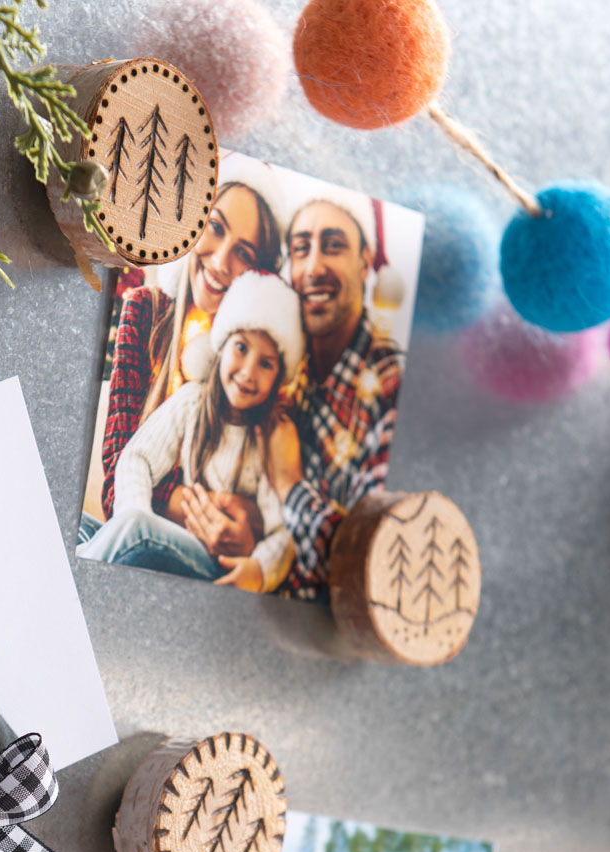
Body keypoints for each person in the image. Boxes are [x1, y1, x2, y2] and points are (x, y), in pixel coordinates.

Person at [92, 155, 287, 556]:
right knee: (83, 533)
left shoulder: (250, 366)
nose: (219, 262)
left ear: (259, 274)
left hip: (206, 554)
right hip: (137, 528)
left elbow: (269, 501)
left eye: (245, 253)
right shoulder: (143, 310)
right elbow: (114, 485)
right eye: (215, 228)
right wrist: (202, 506)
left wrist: (250, 518)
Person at [80, 272, 304, 592]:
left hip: (217, 565)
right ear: (222, 345)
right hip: (168, 539)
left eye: (266, 364)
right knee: (82, 529)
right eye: (241, 348)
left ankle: (67, 584)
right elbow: (136, 458)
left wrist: (259, 569)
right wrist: (135, 515)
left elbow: (283, 532)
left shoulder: (269, 439)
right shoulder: (192, 400)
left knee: (123, 534)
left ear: (279, 375)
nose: (248, 372)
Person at [276, 187, 406, 599]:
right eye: (301, 249)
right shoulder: (278, 367)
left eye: (333, 246)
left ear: (366, 263)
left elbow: (361, 564)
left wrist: (289, 486)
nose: (313, 267)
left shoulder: (389, 384)